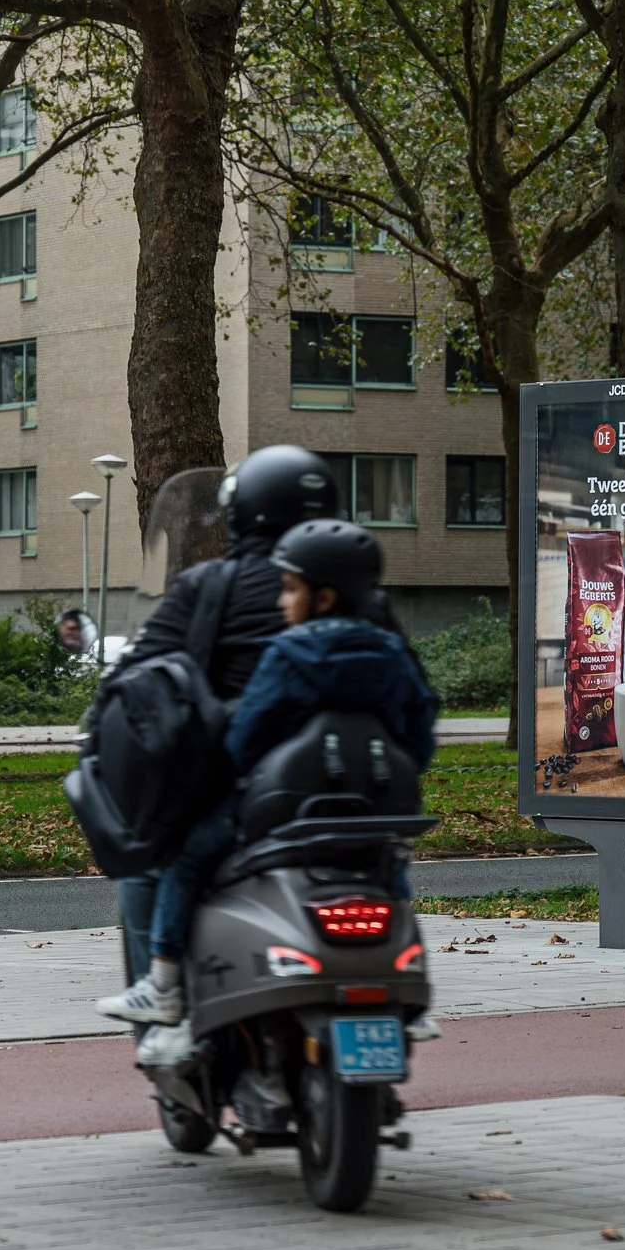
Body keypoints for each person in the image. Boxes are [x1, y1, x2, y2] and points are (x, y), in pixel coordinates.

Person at [100, 518, 438, 1065]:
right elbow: (419, 733)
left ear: (322, 597)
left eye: (289, 589)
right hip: (377, 806)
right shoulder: (390, 651)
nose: (281, 602)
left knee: (185, 863)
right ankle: (414, 998)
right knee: (388, 866)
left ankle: (162, 982)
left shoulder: (290, 652)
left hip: (286, 807)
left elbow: (245, 735)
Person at [102, 445, 342, 976]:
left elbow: (134, 679)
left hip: (245, 791)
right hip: (354, 792)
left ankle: (159, 995)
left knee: (145, 865)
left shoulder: (211, 586)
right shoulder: (357, 596)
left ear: (239, 514)